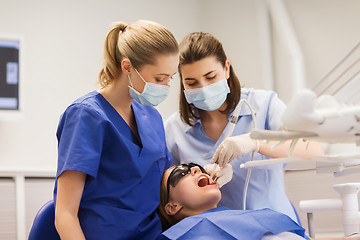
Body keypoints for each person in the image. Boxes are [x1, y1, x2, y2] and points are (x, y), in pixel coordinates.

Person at [164, 32, 324, 223]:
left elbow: (313, 149)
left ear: (226, 69)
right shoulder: (174, 129)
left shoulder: (263, 104)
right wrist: (205, 177)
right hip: (220, 232)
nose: (204, 88)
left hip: (274, 226)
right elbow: (169, 193)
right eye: (192, 83)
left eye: (211, 77)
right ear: (182, 83)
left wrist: (255, 142)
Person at [54, 20, 179, 240]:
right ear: (127, 67)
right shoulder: (86, 116)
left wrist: (206, 173)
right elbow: (65, 214)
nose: (166, 86)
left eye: (170, 78)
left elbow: (161, 182)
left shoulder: (151, 117)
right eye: (159, 79)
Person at [157, 163, 357, 240]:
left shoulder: (245, 217)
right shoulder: (184, 236)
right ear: (172, 207)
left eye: (197, 167)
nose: (195, 170)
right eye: (181, 173)